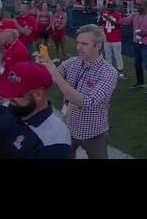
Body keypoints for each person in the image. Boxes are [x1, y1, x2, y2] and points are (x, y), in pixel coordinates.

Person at [0, 61, 70, 159]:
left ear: (38, 95)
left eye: (16, 94)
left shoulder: (54, 140)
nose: (9, 98)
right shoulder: (9, 107)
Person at [40, 24, 118, 159]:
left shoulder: (108, 72)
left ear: (98, 46)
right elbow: (49, 82)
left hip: (94, 133)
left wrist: (57, 77)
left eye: (84, 44)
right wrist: (43, 67)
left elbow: (87, 102)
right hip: (68, 127)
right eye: (78, 43)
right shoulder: (72, 63)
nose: (78, 47)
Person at [120, 0, 147, 93]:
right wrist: (122, 15)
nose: (137, 6)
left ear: (145, 5)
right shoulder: (134, 15)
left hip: (146, 45)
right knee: (137, 64)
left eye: (139, 4)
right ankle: (140, 82)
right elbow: (125, 22)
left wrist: (146, 33)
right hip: (136, 43)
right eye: (136, 4)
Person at [99, 2, 125, 78]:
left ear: (114, 7)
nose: (109, 8)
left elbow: (118, 25)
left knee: (117, 55)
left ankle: (120, 70)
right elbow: (101, 23)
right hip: (107, 39)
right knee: (107, 56)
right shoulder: (106, 14)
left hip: (116, 39)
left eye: (111, 6)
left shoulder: (117, 15)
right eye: (108, 6)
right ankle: (108, 70)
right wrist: (101, 16)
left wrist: (109, 19)